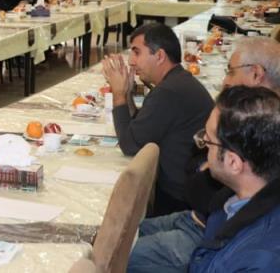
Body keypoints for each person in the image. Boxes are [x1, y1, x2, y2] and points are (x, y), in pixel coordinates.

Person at [127, 37, 280, 273]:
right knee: (114, 233)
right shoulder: (235, 203)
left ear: (234, 162)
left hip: (205, 233)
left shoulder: (256, 256)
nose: (225, 80)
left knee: (112, 253)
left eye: (208, 142)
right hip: (205, 222)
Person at [102, 22, 213, 216]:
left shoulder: (169, 91)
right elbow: (138, 128)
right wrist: (126, 93)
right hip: (187, 189)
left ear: (160, 56)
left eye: (137, 53)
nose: (131, 62)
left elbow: (129, 145)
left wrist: (118, 94)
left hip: (178, 201)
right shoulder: (177, 81)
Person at [188, 85, 280, 271]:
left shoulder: (258, 261)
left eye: (209, 141)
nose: (204, 146)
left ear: (233, 162)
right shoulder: (235, 199)